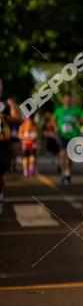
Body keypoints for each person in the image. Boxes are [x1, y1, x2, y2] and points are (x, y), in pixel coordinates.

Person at [0, 78, 23, 213]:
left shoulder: (7, 101)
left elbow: (18, 118)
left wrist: (5, 118)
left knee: (0, 175)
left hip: (3, 141)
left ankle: (0, 194)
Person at [52, 94, 80, 185]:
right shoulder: (59, 110)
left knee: (70, 156)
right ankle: (63, 173)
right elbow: (53, 120)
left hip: (73, 135)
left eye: (69, 99)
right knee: (63, 153)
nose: (67, 101)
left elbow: (81, 119)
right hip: (62, 135)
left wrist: (76, 121)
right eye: (66, 99)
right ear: (63, 101)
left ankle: (68, 174)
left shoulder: (76, 110)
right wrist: (55, 127)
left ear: (71, 101)